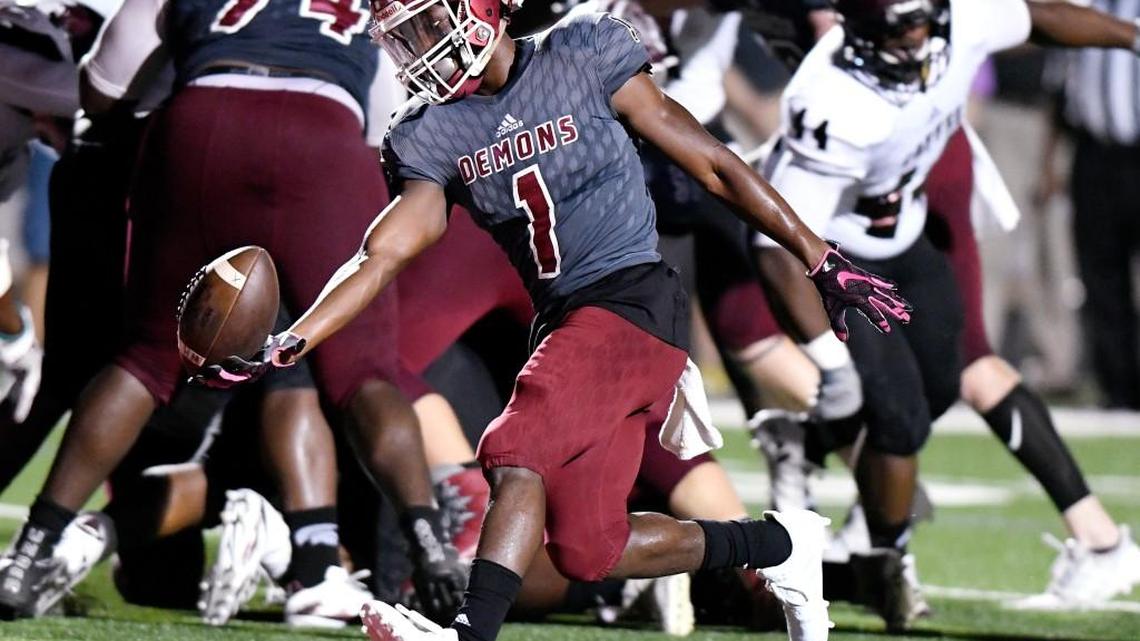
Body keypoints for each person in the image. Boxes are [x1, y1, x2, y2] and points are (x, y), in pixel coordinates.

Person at [199, 2, 915, 640]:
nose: (418, 46)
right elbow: (378, 255)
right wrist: (294, 337)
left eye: (427, 22)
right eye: (403, 34)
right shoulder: (432, 132)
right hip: (566, 319)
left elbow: (715, 165)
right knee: (589, 549)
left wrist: (819, 258)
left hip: (634, 297)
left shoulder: (582, 55)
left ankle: (467, 633)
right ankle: (779, 547)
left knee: (515, 443)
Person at [0, 0, 470, 623]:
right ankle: (427, 549)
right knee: (362, 375)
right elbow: (382, 125)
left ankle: (31, 552)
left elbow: (103, 87)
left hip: (205, 124)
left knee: (146, 360)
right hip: (326, 140)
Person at [753, 0, 1140, 628]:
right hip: (842, 261)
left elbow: (1033, 16)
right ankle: (886, 555)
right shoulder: (830, 97)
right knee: (899, 417)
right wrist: (830, 361)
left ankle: (812, 445)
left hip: (910, 241)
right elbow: (774, 252)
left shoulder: (962, 19)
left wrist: (1130, 36)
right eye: (895, 29)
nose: (913, 41)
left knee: (938, 389)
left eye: (920, 23)